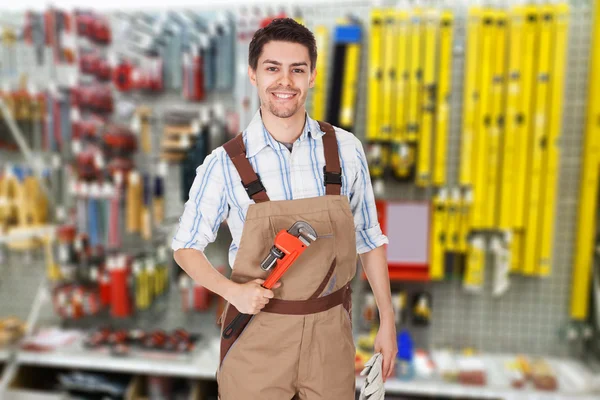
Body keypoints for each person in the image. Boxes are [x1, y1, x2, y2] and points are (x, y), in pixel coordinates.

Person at [172, 17, 397, 400]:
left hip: (330, 337)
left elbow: (369, 240)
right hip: (258, 336)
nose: (285, 81)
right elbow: (185, 248)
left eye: (297, 69)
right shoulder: (223, 164)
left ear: (311, 76)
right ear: (253, 75)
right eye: (272, 68)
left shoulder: (345, 149)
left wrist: (388, 320)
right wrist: (233, 293)